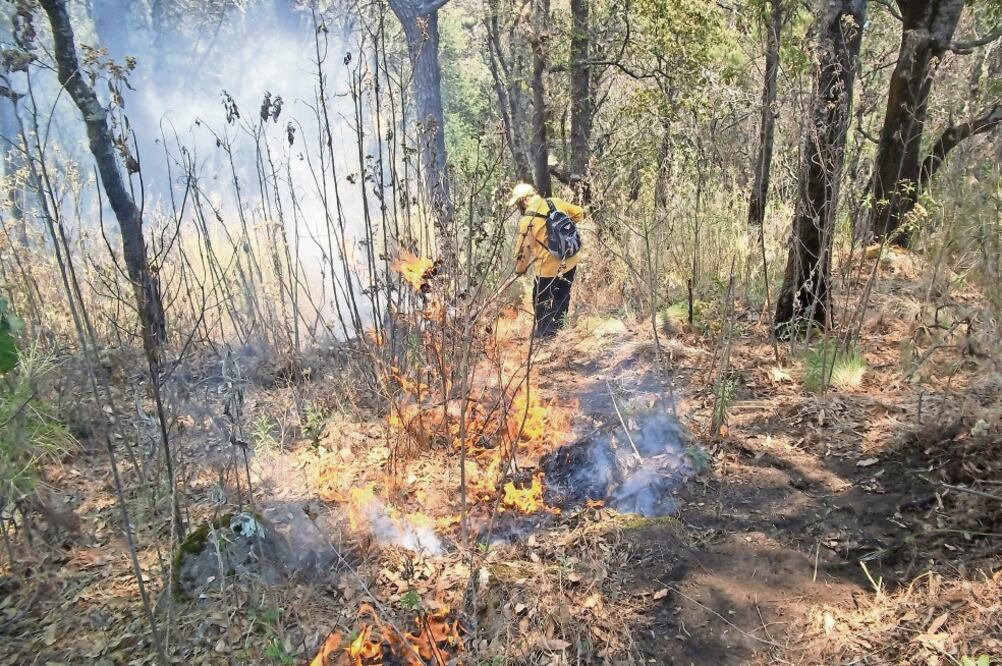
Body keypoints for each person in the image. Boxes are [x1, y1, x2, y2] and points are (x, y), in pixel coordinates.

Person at [508, 182, 584, 339]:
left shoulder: (528, 220)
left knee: (541, 300)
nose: (518, 207)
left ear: (524, 200)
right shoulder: (555, 202)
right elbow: (579, 213)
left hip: (547, 268)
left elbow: (524, 250)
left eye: (518, 203)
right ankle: (560, 329)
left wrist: (519, 269)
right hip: (569, 259)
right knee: (562, 295)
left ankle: (546, 335)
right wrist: (561, 230)